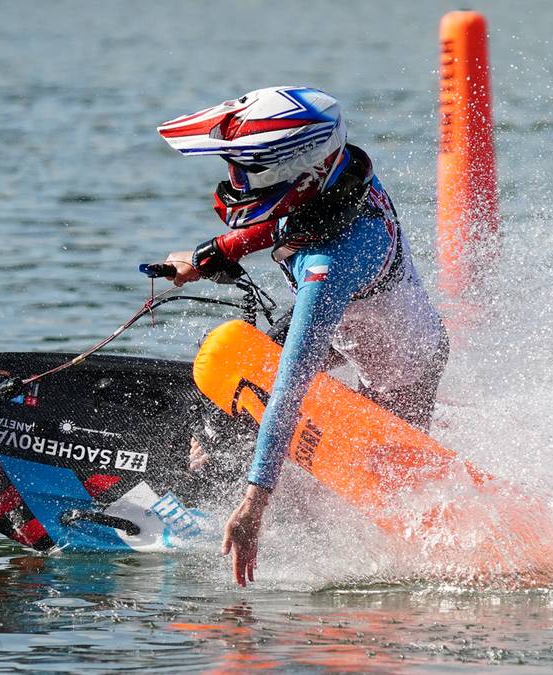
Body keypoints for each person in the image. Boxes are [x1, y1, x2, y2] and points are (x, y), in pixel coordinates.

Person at [155, 86, 448, 586]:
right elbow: (291, 221)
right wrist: (209, 256)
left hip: (407, 367)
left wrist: (254, 501)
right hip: (348, 330)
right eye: (238, 169)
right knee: (232, 387)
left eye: (255, 172)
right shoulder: (340, 179)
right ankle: (203, 464)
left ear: (305, 171)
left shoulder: (331, 269)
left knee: (371, 481)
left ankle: (277, 504)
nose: (240, 183)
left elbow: (290, 388)